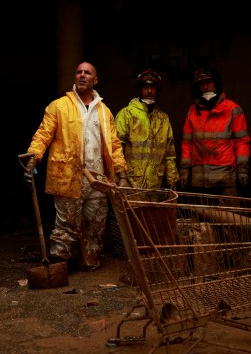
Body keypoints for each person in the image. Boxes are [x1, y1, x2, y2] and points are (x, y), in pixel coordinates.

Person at [23, 61, 129, 272]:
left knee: (96, 223)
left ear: (95, 80)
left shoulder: (104, 111)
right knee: (66, 224)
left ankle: (89, 260)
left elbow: (114, 145)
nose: (82, 75)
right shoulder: (59, 106)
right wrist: (33, 157)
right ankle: (59, 265)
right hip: (68, 174)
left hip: (98, 177)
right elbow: (43, 134)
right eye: (79, 72)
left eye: (87, 73)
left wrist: (121, 173)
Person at [179, 65, 250, 196]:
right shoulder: (193, 111)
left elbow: (242, 142)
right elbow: (187, 145)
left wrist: (243, 170)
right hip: (200, 181)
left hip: (225, 179)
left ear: (216, 83)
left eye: (208, 82)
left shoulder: (233, 109)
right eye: (201, 83)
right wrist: (184, 172)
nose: (205, 86)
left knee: (229, 216)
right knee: (202, 216)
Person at [114, 69, 178, 189]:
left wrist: (172, 179)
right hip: (131, 183)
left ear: (157, 90)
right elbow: (117, 149)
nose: (149, 91)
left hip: (156, 184)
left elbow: (170, 153)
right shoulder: (127, 114)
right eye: (145, 87)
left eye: (153, 87)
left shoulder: (163, 118)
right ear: (139, 90)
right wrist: (120, 177)